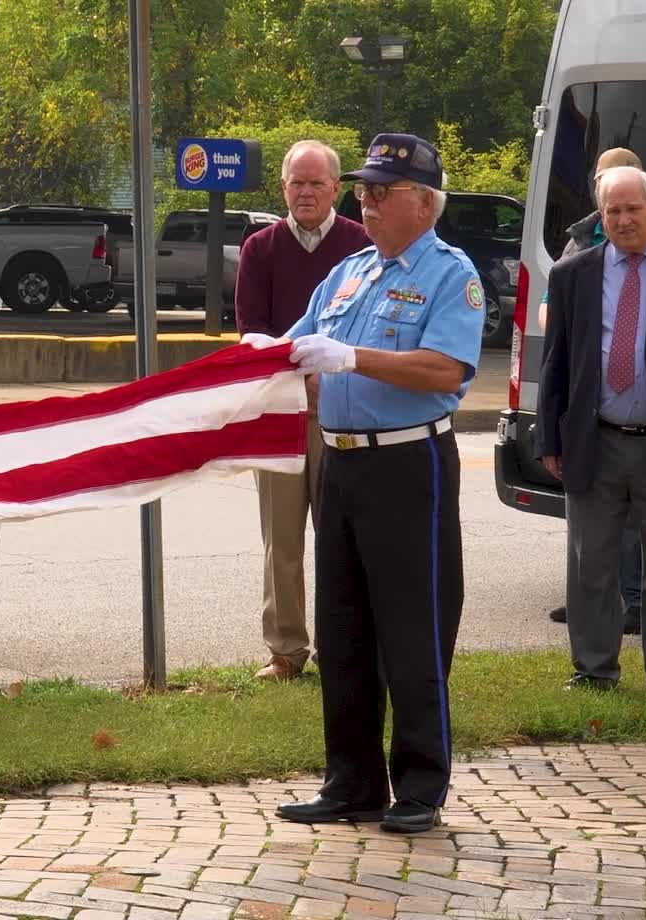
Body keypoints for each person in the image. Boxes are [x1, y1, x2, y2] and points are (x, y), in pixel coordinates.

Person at [260, 133, 483, 835]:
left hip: (406, 464)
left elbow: (446, 371)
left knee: (413, 628)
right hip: (342, 461)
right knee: (345, 626)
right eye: (362, 189)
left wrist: (354, 356)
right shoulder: (351, 272)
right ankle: (350, 781)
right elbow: (298, 345)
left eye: (381, 191)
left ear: (425, 202)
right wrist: (258, 356)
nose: (367, 202)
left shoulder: (452, 274)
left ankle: (419, 785)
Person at [536, 165, 646, 700]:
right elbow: (557, 363)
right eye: (611, 210)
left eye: (632, 208)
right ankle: (593, 670)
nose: (622, 219)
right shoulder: (574, 274)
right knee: (591, 561)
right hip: (595, 440)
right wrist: (550, 439)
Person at [234, 140, 370, 680]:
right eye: (297, 182)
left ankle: (344, 649)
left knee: (341, 540)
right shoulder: (259, 249)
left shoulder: (361, 245)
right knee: (282, 541)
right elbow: (253, 336)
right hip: (282, 418)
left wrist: (326, 381)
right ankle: (286, 651)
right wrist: (299, 381)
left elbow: (363, 328)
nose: (306, 192)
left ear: (337, 188)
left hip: (344, 414)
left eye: (317, 183)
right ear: (283, 188)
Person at [542, 148, 646, 635]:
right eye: (601, 183)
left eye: (619, 184)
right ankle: (589, 608)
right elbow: (552, 319)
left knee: (634, 524)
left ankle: (633, 601)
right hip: (591, 415)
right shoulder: (580, 242)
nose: (614, 203)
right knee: (586, 524)